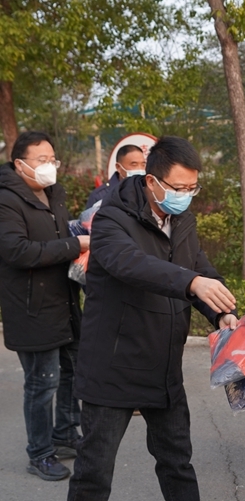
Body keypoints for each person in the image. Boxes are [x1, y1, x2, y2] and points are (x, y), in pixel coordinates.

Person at [68, 136, 237, 501]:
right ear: (151, 181)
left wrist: (221, 312)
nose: (186, 195)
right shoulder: (111, 217)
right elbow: (131, 265)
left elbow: (198, 267)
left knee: (177, 462)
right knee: (93, 473)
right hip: (113, 367)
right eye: (178, 188)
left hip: (163, 366)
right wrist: (192, 282)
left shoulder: (182, 218)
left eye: (192, 188)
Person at [0, 131, 89, 481]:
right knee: (42, 383)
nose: (49, 166)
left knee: (72, 371)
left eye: (52, 159)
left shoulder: (54, 191)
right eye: (41, 160)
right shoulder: (7, 200)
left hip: (64, 299)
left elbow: (58, 235)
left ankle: (65, 434)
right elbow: (16, 251)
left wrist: (81, 238)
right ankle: (39, 453)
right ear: (18, 162)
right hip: (31, 306)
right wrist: (74, 244)